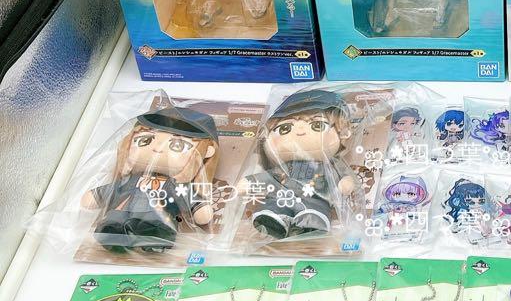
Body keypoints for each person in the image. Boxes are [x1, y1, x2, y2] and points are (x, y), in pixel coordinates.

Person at [83, 105, 218, 254]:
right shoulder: (132, 180)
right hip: (123, 212)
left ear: (206, 152)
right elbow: (115, 189)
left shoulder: (172, 185)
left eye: (177, 145)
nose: (157, 149)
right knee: (113, 224)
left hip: (155, 216)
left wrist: (198, 207)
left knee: (155, 226)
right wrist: (97, 195)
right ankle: (114, 235)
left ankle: (154, 238)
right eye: (145, 140)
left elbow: (186, 195)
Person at [242, 89, 357, 241]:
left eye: (317, 125)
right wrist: (249, 182)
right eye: (285, 128)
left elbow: (342, 178)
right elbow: (269, 177)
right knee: (273, 206)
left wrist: (345, 183)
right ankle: (273, 220)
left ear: (342, 133)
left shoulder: (328, 167)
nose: (300, 131)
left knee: (313, 210)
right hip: (281, 198)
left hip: (314, 200)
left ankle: (310, 224)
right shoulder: (282, 168)